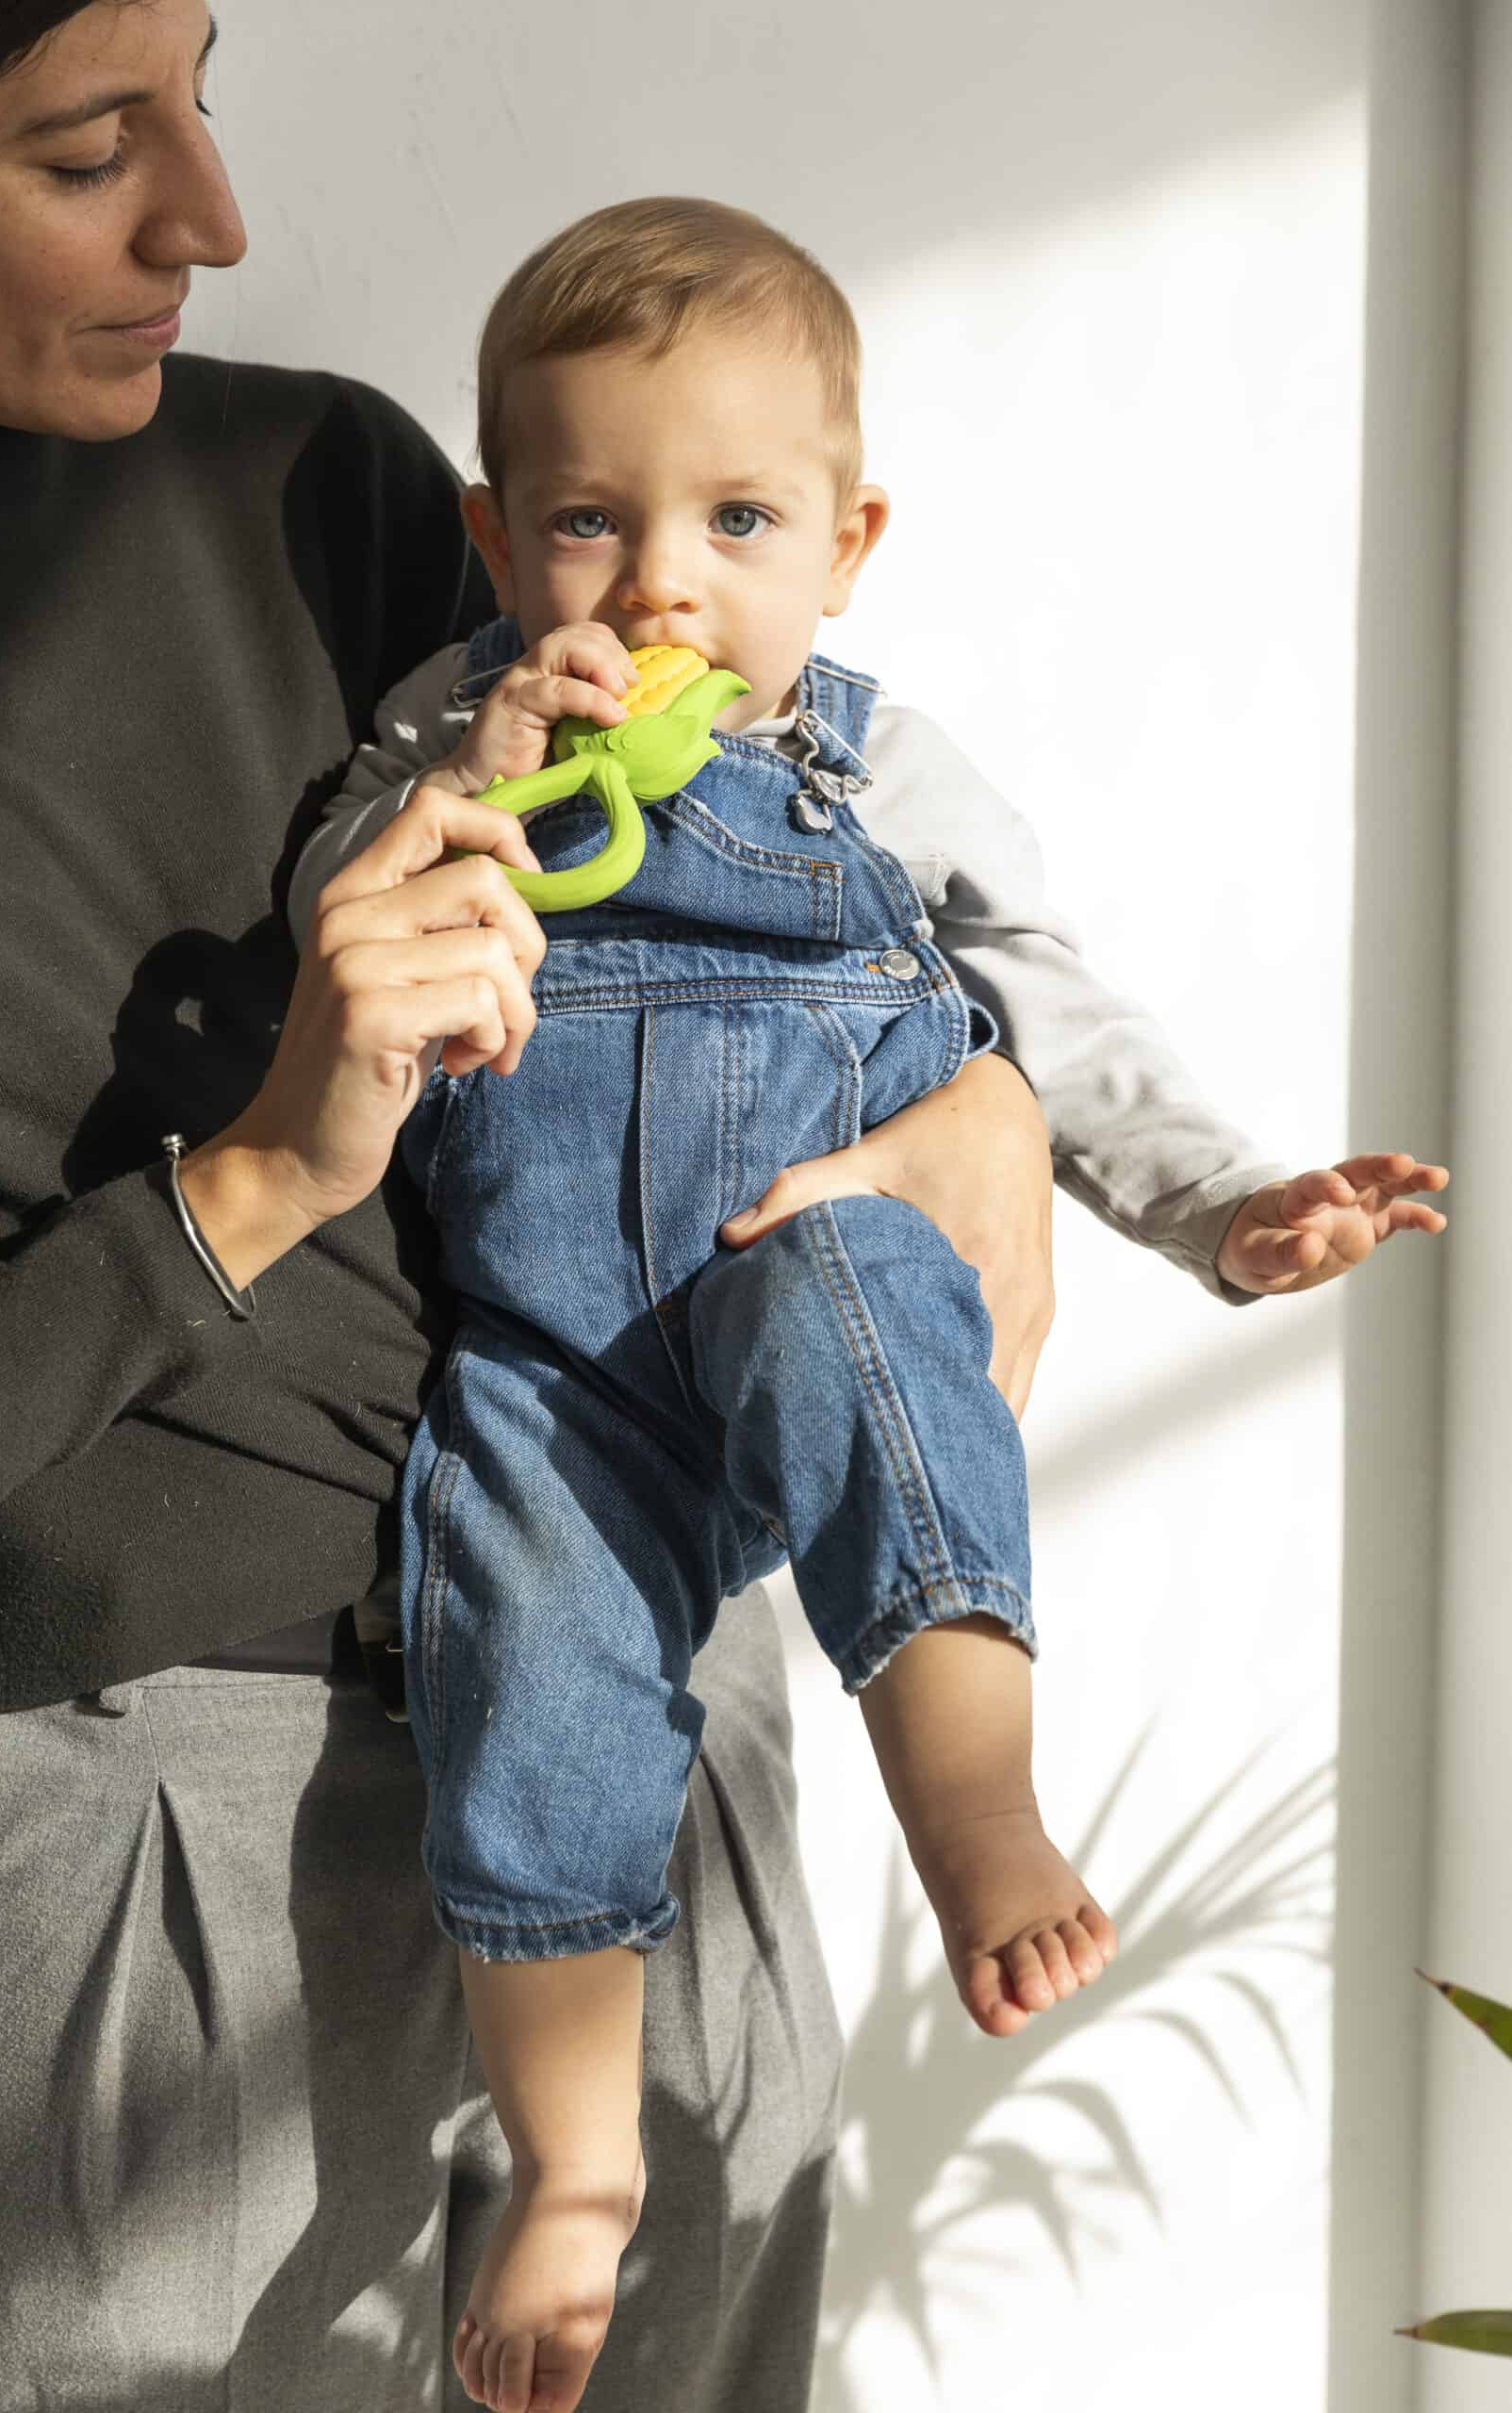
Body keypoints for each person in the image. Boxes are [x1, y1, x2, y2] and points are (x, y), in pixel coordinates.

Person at [0, 11, 1072, 2412]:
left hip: (642, 1647)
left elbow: (738, 872)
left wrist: (983, 1099)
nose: (213, 218)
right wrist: (253, 1176)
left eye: (199, 94)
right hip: (159, 1766)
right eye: (90, 149)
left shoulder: (315, 480)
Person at [286, 196, 1450, 2413]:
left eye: (735, 521)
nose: (659, 584)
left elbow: (1044, 1006)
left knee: (863, 1310)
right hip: (551, 1366)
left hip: (791, 1261)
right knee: (524, 1670)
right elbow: (327, 932)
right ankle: (576, 2162)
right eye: (587, 522)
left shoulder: (872, 767)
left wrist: (1220, 1202)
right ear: (494, 535)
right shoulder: (446, 727)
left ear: (846, 542)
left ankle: (971, 1801)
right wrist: (473, 788)